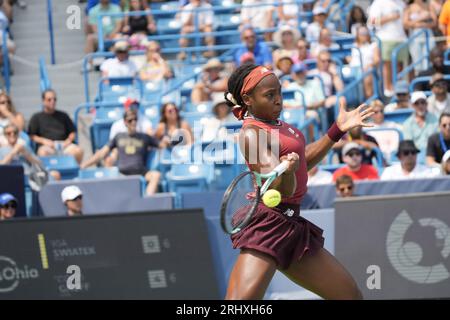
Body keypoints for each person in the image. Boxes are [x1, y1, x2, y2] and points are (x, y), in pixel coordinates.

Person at [223, 63, 375, 300]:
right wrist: (288, 171)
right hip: (268, 225)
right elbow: (277, 188)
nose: (278, 100)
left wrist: (337, 130)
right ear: (248, 99)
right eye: (269, 95)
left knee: (350, 296)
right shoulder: (251, 133)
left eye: (280, 93)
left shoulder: (283, 127)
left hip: (292, 225)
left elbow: (304, 161)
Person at [81, 108, 168, 195]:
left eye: (135, 119)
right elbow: (102, 153)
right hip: (121, 174)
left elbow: (162, 145)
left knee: (156, 175)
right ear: (125, 122)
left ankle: (148, 202)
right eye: (130, 120)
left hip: (141, 173)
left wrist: (170, 140)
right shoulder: (119, 137)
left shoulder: (144, 137)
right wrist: (85, 164)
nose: (133, 122)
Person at [28, 89, 84, 164]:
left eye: (54, 99)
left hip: (64, 145)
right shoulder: (36, 117)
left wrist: (68, 142)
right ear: (43, 101)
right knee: (43, 153)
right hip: (47, 147)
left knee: (78, 151)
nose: (52, 101)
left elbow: (72, 132)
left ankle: (72, 173)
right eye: (49, 99)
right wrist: (44, 141)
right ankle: (49, 174)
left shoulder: (64, 115)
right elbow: (31, 135)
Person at [367, 0, 408, 97]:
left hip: (401, 38)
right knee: (387, 64)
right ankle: (388, 89)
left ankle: (399, 89)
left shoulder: (401, 3)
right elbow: (371, 22)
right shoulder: (379, 2)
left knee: (400, 66)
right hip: (385, 38)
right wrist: (390, 17)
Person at [403, 0, 437, 74]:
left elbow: (434, 23)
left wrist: (423, 25)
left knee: (428, 60)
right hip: (415, 36)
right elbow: (405, 24)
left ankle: (428, 80)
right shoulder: (409, 7)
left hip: (428, 35)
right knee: (417, 62)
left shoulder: (429, 6)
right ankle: (419, 81)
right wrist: (420, 19)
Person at [348, 25, 380, 98]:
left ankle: (369, 101)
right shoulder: (354, 46)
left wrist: (369, 65)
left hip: (367, 68)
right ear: (358, 35)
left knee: (367, 76)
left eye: (366, 33)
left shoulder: (373, 45)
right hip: (354, 69)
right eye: (362, 33)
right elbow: (351, 59)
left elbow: (377, 59)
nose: (364, 35)